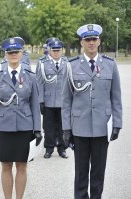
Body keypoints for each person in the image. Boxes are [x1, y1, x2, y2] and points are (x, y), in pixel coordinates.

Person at [62, 24, 123, 199]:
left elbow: (116, 97)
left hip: (101, 127)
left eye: (94, 39)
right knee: (81, 173)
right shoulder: (71, 66)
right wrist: (66, 127)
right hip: (79, 127)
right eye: (87, 40)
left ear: (99, 42)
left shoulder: (110, 65)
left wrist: (117, 124)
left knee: (98, 172)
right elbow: (66, 100)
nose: (91, 43)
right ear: (82, 42)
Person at [0, 37, 42, 199]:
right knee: (6, 166)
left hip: (24, 127)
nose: (13, 55)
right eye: (10, 52)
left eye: (16, 52)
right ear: (5, 55)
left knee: (22, 166)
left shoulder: (30, 77)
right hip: (4, 126)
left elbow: (34, 104)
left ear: (21, 54)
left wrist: (37, 129)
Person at [36, 39, 68, 159]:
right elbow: (39, 83)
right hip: (48, 101)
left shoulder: (66, 62)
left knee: (62, 126)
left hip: (63, 101)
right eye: (53, 50)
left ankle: (62, 148)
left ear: (62, 51)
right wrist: (40, 100)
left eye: (58, 50)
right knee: (48, 127)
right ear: (49, 50)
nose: (55, 52)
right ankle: (49, 148)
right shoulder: (42, 63)